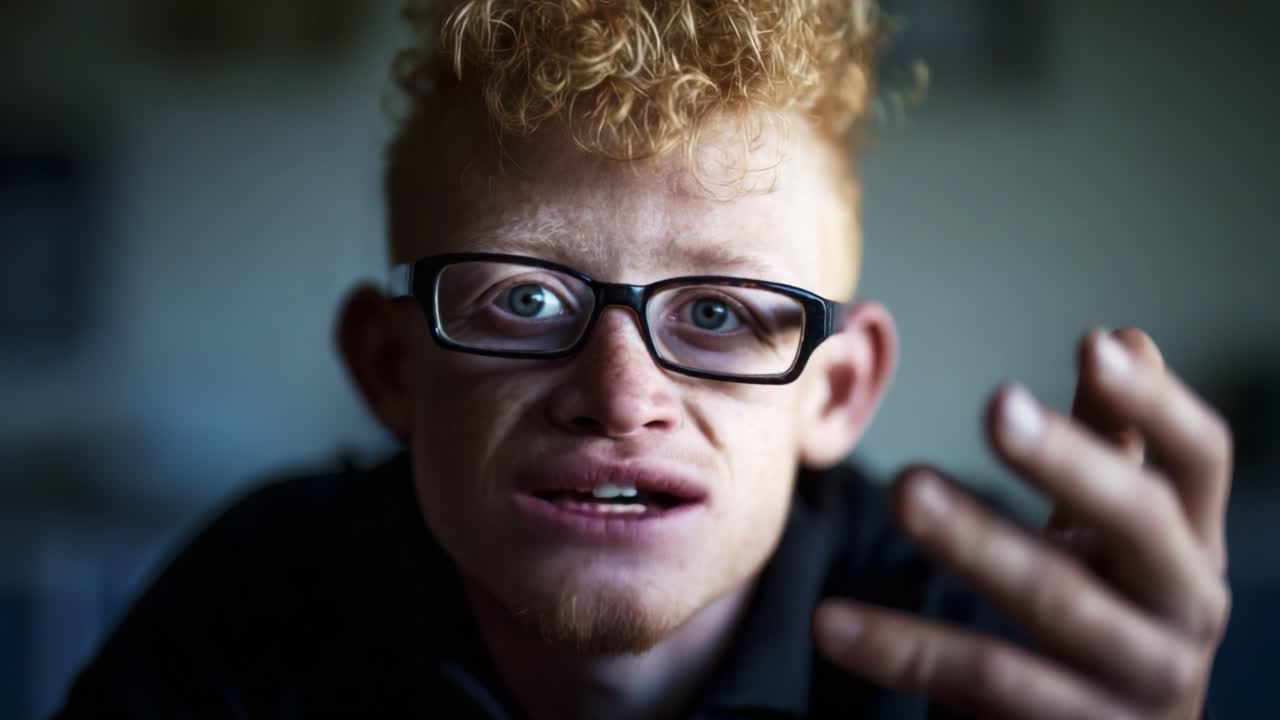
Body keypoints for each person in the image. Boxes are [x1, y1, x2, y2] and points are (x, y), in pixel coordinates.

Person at [59, 1, 1233, 718]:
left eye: (718, 316)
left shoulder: (983, 646)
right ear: (391, 367)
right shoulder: (256, 608)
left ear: (838, 390)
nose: (620, 398)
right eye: (523, 297)